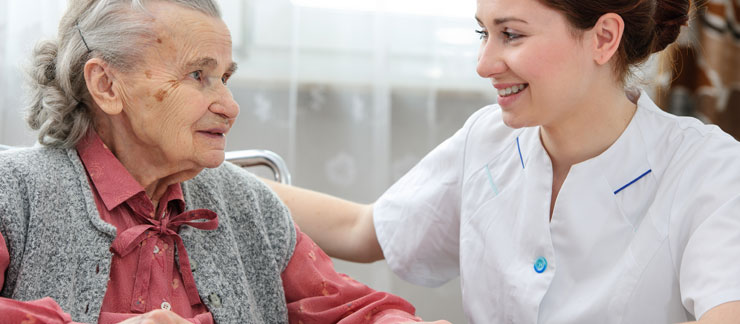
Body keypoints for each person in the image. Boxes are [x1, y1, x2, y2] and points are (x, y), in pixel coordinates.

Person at [267, 0, 740, 323]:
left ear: (603, 38)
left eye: (510, 34)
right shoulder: (487, 139)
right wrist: (213, 176)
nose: (483, 62)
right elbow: (364, 229)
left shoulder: (710, 169)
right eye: (483, 33)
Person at [0, 1, 451, 323]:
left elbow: (344, 307)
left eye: (225, 78)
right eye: (198, 75)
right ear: (106, 86)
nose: (230, 106)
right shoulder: (14, 194)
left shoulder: (248, 203)